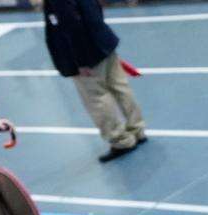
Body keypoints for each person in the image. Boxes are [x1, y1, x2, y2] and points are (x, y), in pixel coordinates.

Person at [43, 0, 147, 162]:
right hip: (103, 41)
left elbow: (70, 24)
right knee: (120, 87)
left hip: (86, 54)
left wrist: (81, 61)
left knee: (97, 98)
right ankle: (137, 130)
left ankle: (121, 141)